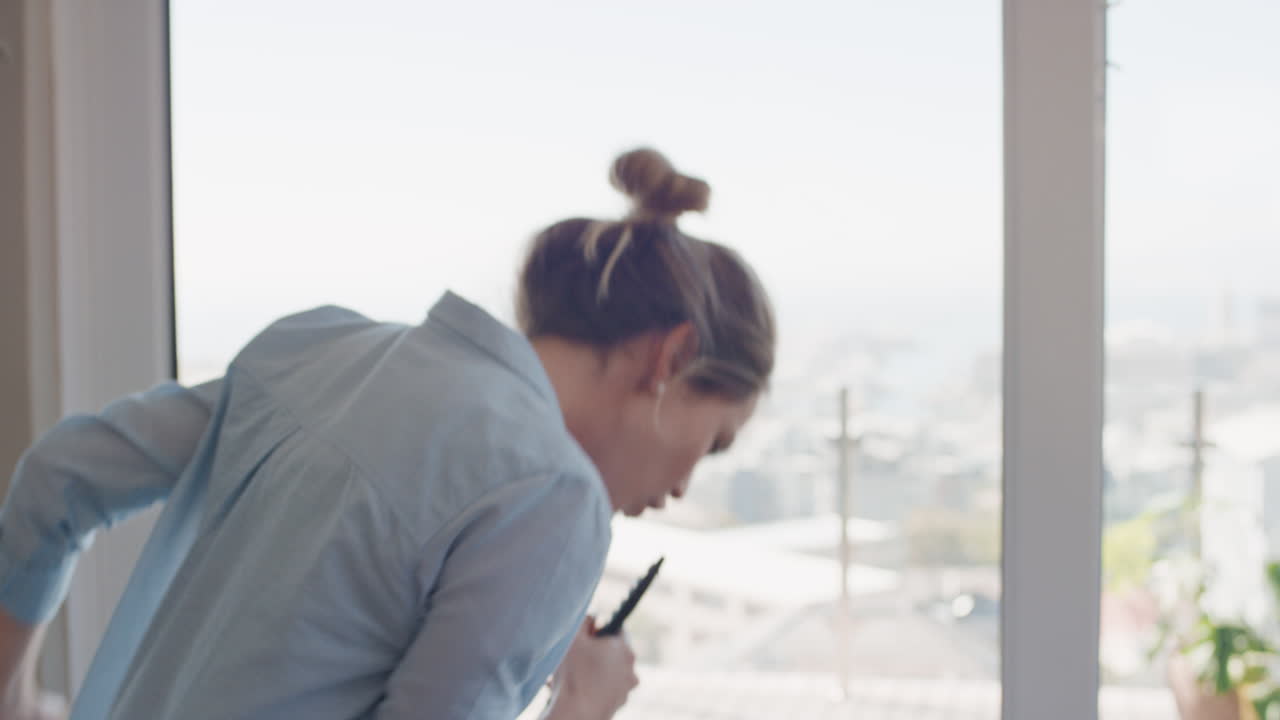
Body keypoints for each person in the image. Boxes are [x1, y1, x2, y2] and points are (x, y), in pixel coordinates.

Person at [0, 148, 775, 720]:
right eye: (712, 444)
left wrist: (16, 694)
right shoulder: (553, 500)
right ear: (669, 357)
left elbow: (56, 474)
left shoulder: (324, 351)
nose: (680, 489)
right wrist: (581, 705)